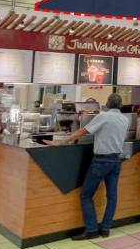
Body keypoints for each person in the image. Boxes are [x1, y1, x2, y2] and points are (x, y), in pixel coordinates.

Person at [50, 93, 129, 239]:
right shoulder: (125, 119)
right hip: (116, 160)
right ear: (120, 105)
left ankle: (91, 229)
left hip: (101, 161)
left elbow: (82, 131)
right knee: (112, 197)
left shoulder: (103, 116)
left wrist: (62, 142)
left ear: (108, 103)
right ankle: (105, 229)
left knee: (86, 194)